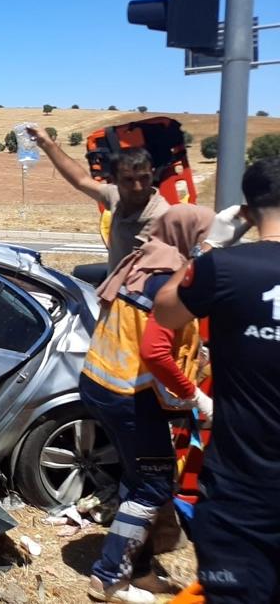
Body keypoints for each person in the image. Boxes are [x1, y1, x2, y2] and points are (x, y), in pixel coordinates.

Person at [155, 159, 280, 603]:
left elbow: (165, 311)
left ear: (245, 212)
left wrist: (207, 251)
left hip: (240, 489)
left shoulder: (225, 269)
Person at [80, 204, 218, 604]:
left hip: (104, 383)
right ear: (188, 237)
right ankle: (109, 578)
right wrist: (196, 397)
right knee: (154, 483)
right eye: (204, 238)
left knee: (138, 476)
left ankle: (138, 570)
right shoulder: (167, 280)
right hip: (129, 395)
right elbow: (156, 351)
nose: (208, 247)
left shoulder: (144, 263)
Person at [31, 125, 168, 268]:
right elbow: (81, 180)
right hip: (116, 288)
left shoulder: (164, 217)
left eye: (144, 178)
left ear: (152, 174)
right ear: (114, 180)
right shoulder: (116, 196)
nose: (138, 187)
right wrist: (46, 143)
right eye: (128, 180)